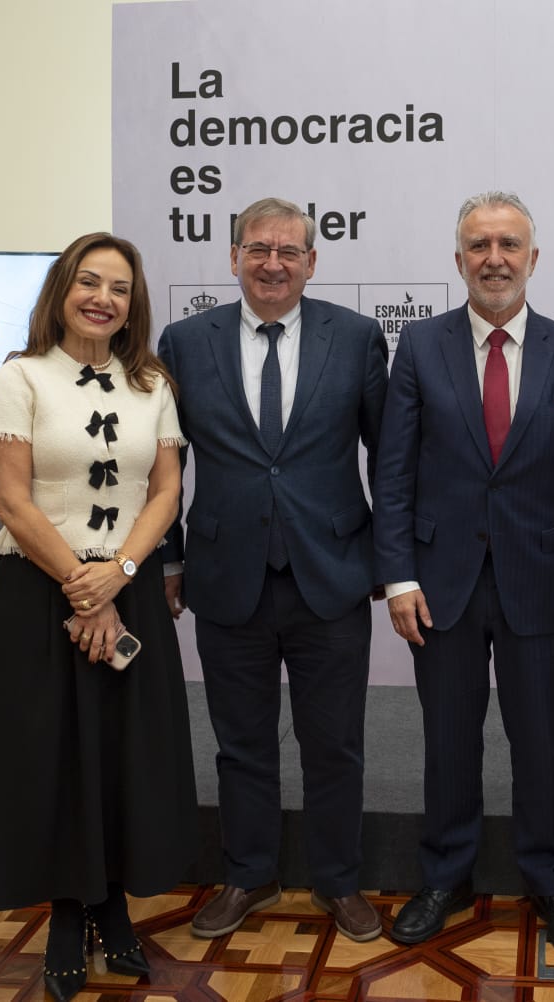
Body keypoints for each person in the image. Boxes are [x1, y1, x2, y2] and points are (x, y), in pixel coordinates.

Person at [372, 191, 554, 959]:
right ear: (458, 261)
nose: (494, 258)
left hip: (540, 580)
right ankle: (446, 877)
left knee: (539, 741)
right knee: (448, 740)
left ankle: (549, 881)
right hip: (440, 584)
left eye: (509, 244)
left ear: (533, 259)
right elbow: (394, 472)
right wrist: (399, 577)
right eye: (478, 245)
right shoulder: (418, 347)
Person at [0, 232, 197, 1002]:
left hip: (128, 587)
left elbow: (164, 490)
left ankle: (113, 906)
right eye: (88, 282)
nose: (102, 298)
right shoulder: (19, 378)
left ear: (133, 305)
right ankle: (66, 912)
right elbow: (13, 500)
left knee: (125, 753)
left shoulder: (152, 381)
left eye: (118, 288)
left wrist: (118, 575)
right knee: (52, 755)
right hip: (40, 595)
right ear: (61, 291)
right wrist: (81, 586)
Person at [157, 197, 389, 944]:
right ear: (232, 258)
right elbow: (164, 463)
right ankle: (249, 875)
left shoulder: (354, 339)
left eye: (290, 251)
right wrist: (170, 558)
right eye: (258, 249)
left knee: (335, 743)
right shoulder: (184, 342)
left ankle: (339, 882)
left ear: (312, 263)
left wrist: (393, 561)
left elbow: (389, 457)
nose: (273, 263)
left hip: (332, 572)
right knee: (242, 743)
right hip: (227, 576)